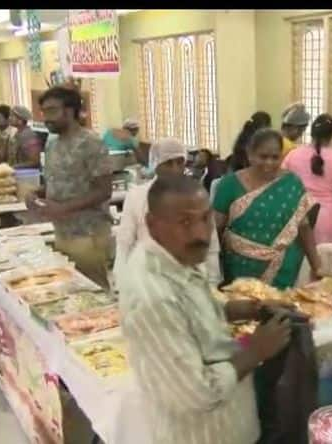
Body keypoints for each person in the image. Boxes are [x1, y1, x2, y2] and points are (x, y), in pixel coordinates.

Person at [118, 175, 293, 444]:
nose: (201, 234)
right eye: (185, 222)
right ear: (152, 225)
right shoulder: (152, 295)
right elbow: (197, 392)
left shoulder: (177, 257)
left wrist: (245, 309)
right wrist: (256, 351)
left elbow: (193, 313)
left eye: (205, 219)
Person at [213, 128, 322, 289]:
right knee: (244, 310)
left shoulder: (292, 183)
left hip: (284, 269)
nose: (269, 163)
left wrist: (317, 266)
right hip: (240, 269)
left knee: (280, 311)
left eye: (275, 157)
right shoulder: (229, 185)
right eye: (263, 157)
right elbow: (214, 229)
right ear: (250, 154)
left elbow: (304, 227)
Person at [28, 86, 113, 288]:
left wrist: (63, 208)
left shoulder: (90, 142)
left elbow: (104, 190)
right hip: (61, 232)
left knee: (94, 291)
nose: (46, 118)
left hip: (88, 234)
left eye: (51, 111)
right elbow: (54, 180)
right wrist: (34, 193)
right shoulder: (52, 144)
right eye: (43, 112)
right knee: (72, 292)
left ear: (70, 111)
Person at [115, 138, 222, 285]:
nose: (174, 168)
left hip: (190, 278)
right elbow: (124, 242)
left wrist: (212, 282)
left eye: (179, 162)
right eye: (168, 163)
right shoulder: (137, 196)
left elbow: (210, 243)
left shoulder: (196, 195)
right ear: (155, 165)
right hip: (149, 278)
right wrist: (122, 282)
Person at [283, 114, 332, 245]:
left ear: (311, 132)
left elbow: (282, 185)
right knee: (329, 260)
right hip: (328, 218)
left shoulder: (292, 155)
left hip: (298, 215)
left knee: (301, 260)